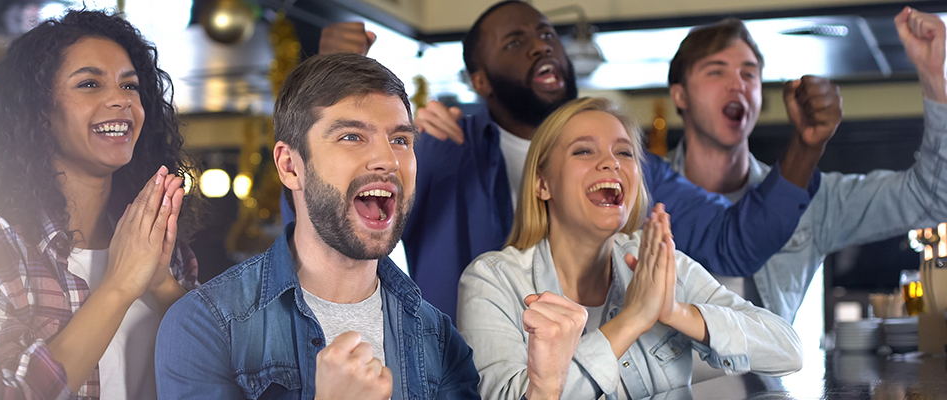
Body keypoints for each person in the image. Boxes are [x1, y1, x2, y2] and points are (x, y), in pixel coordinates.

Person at [309, 0, 833, 321]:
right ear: (480, 81)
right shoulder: (442, 150)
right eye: (516, 42)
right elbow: (327, 229)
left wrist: (805, 146)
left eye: (547, 34)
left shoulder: (624, 165)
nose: (541, 46)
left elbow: (735, 242)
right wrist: (327, 82)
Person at [154, 53, 480, 399]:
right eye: (352, 136)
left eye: (400, 140)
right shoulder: (207, 325)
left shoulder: (441, 341)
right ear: (290, 166)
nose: (388, 160)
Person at [0, 11, 200, 399]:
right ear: (39, 111)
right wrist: (119, 286)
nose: (120, 99)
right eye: (89, 84)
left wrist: (161, 283)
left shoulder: (161, 246)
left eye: (130, 86)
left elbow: (227, 375)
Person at [457, 97, 802, 400]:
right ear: (542, 183)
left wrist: (672, 312)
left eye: (624, 152)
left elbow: (788, 350)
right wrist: (634, 318)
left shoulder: (658, 264)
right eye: (584, 150)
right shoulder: (492, 281)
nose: (613, 163)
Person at [664, 8, 947, 323]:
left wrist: (934, 73)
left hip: (763, 373)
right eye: (716, 71)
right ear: (680, 95)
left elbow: (932, 198)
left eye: (749, 73)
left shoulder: (809, 201)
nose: (737, 85)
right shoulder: (639, 193)